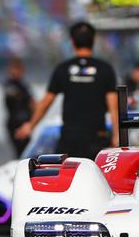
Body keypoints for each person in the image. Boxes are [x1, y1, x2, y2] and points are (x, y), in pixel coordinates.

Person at [15, 21, 118, 159]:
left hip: (70, 138)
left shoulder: (63, 69)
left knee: (69, 178)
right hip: (96, 137)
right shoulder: (105, 69)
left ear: (72, 42)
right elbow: (114, 106)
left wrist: (30, 125)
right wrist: (117, 136)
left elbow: (46, 102)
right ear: (93, 41)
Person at [3, 58, 35, 157]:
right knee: (20, 151)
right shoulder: (9, 84)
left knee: (26, 152)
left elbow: (32, 103)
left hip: (25, 122)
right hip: (15, 122)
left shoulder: (24, 85)